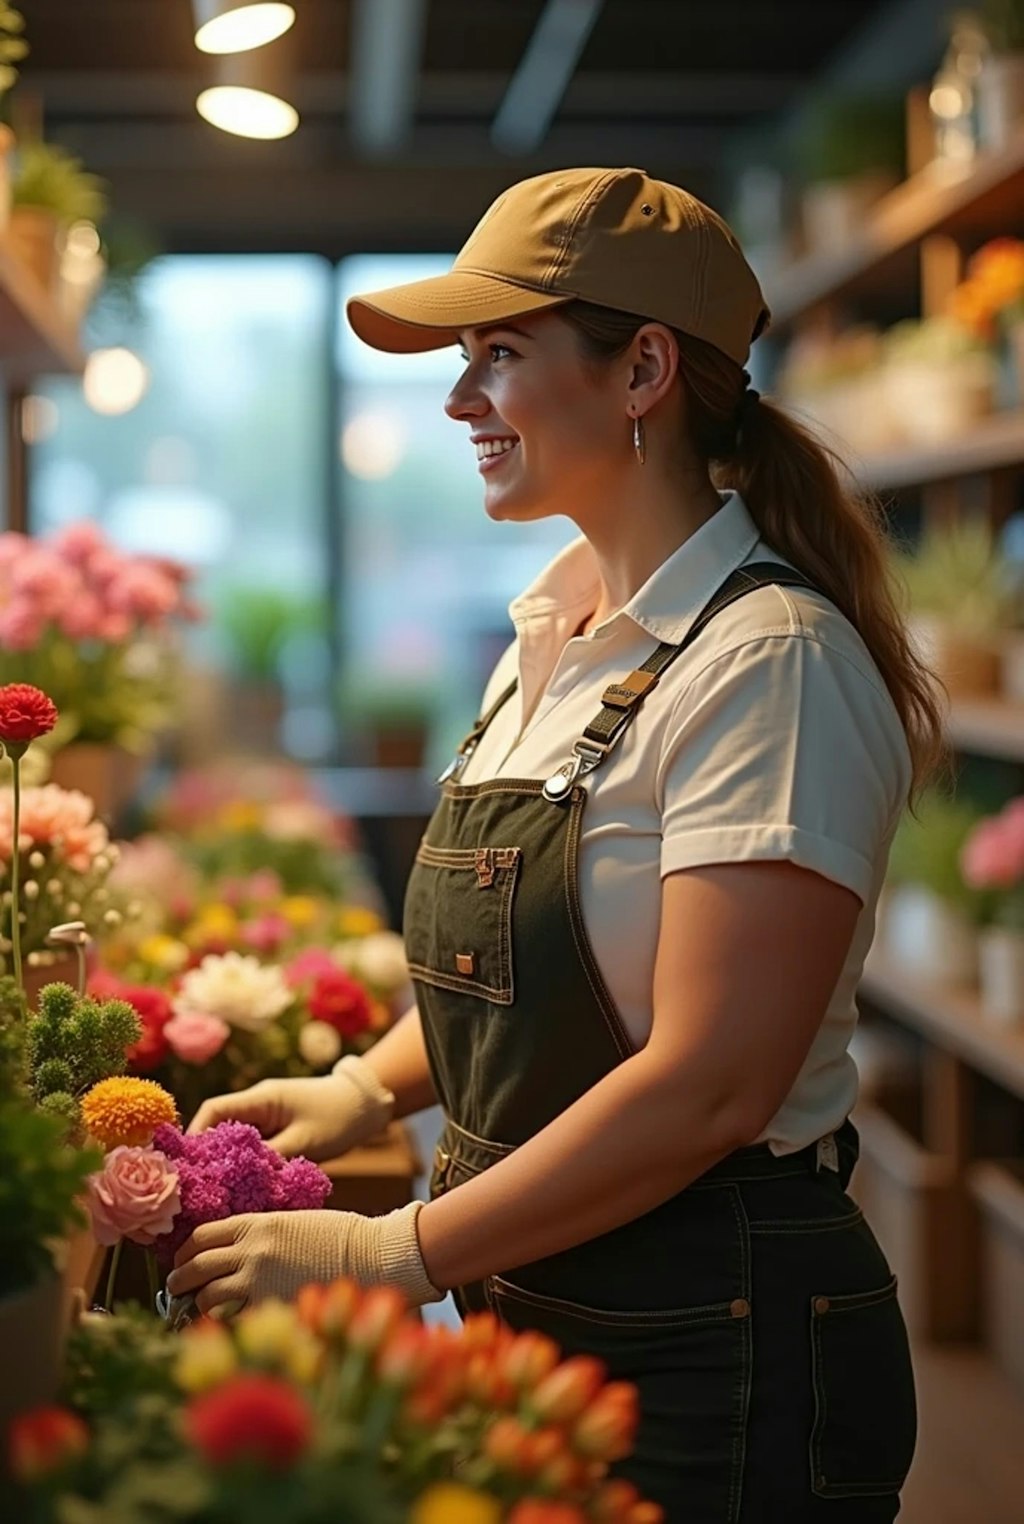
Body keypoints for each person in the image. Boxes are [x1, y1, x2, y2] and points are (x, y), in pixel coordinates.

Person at [169, 166, 944, 1521]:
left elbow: (710, 1082)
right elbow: (533, 973)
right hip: (551, 1301)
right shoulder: (554, 635)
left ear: (643, 369)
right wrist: (363, 1092)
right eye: (464, 364)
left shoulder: (772, 664)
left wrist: (392, 1248)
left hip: (720, 1346)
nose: (462, 403)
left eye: (500, 358)